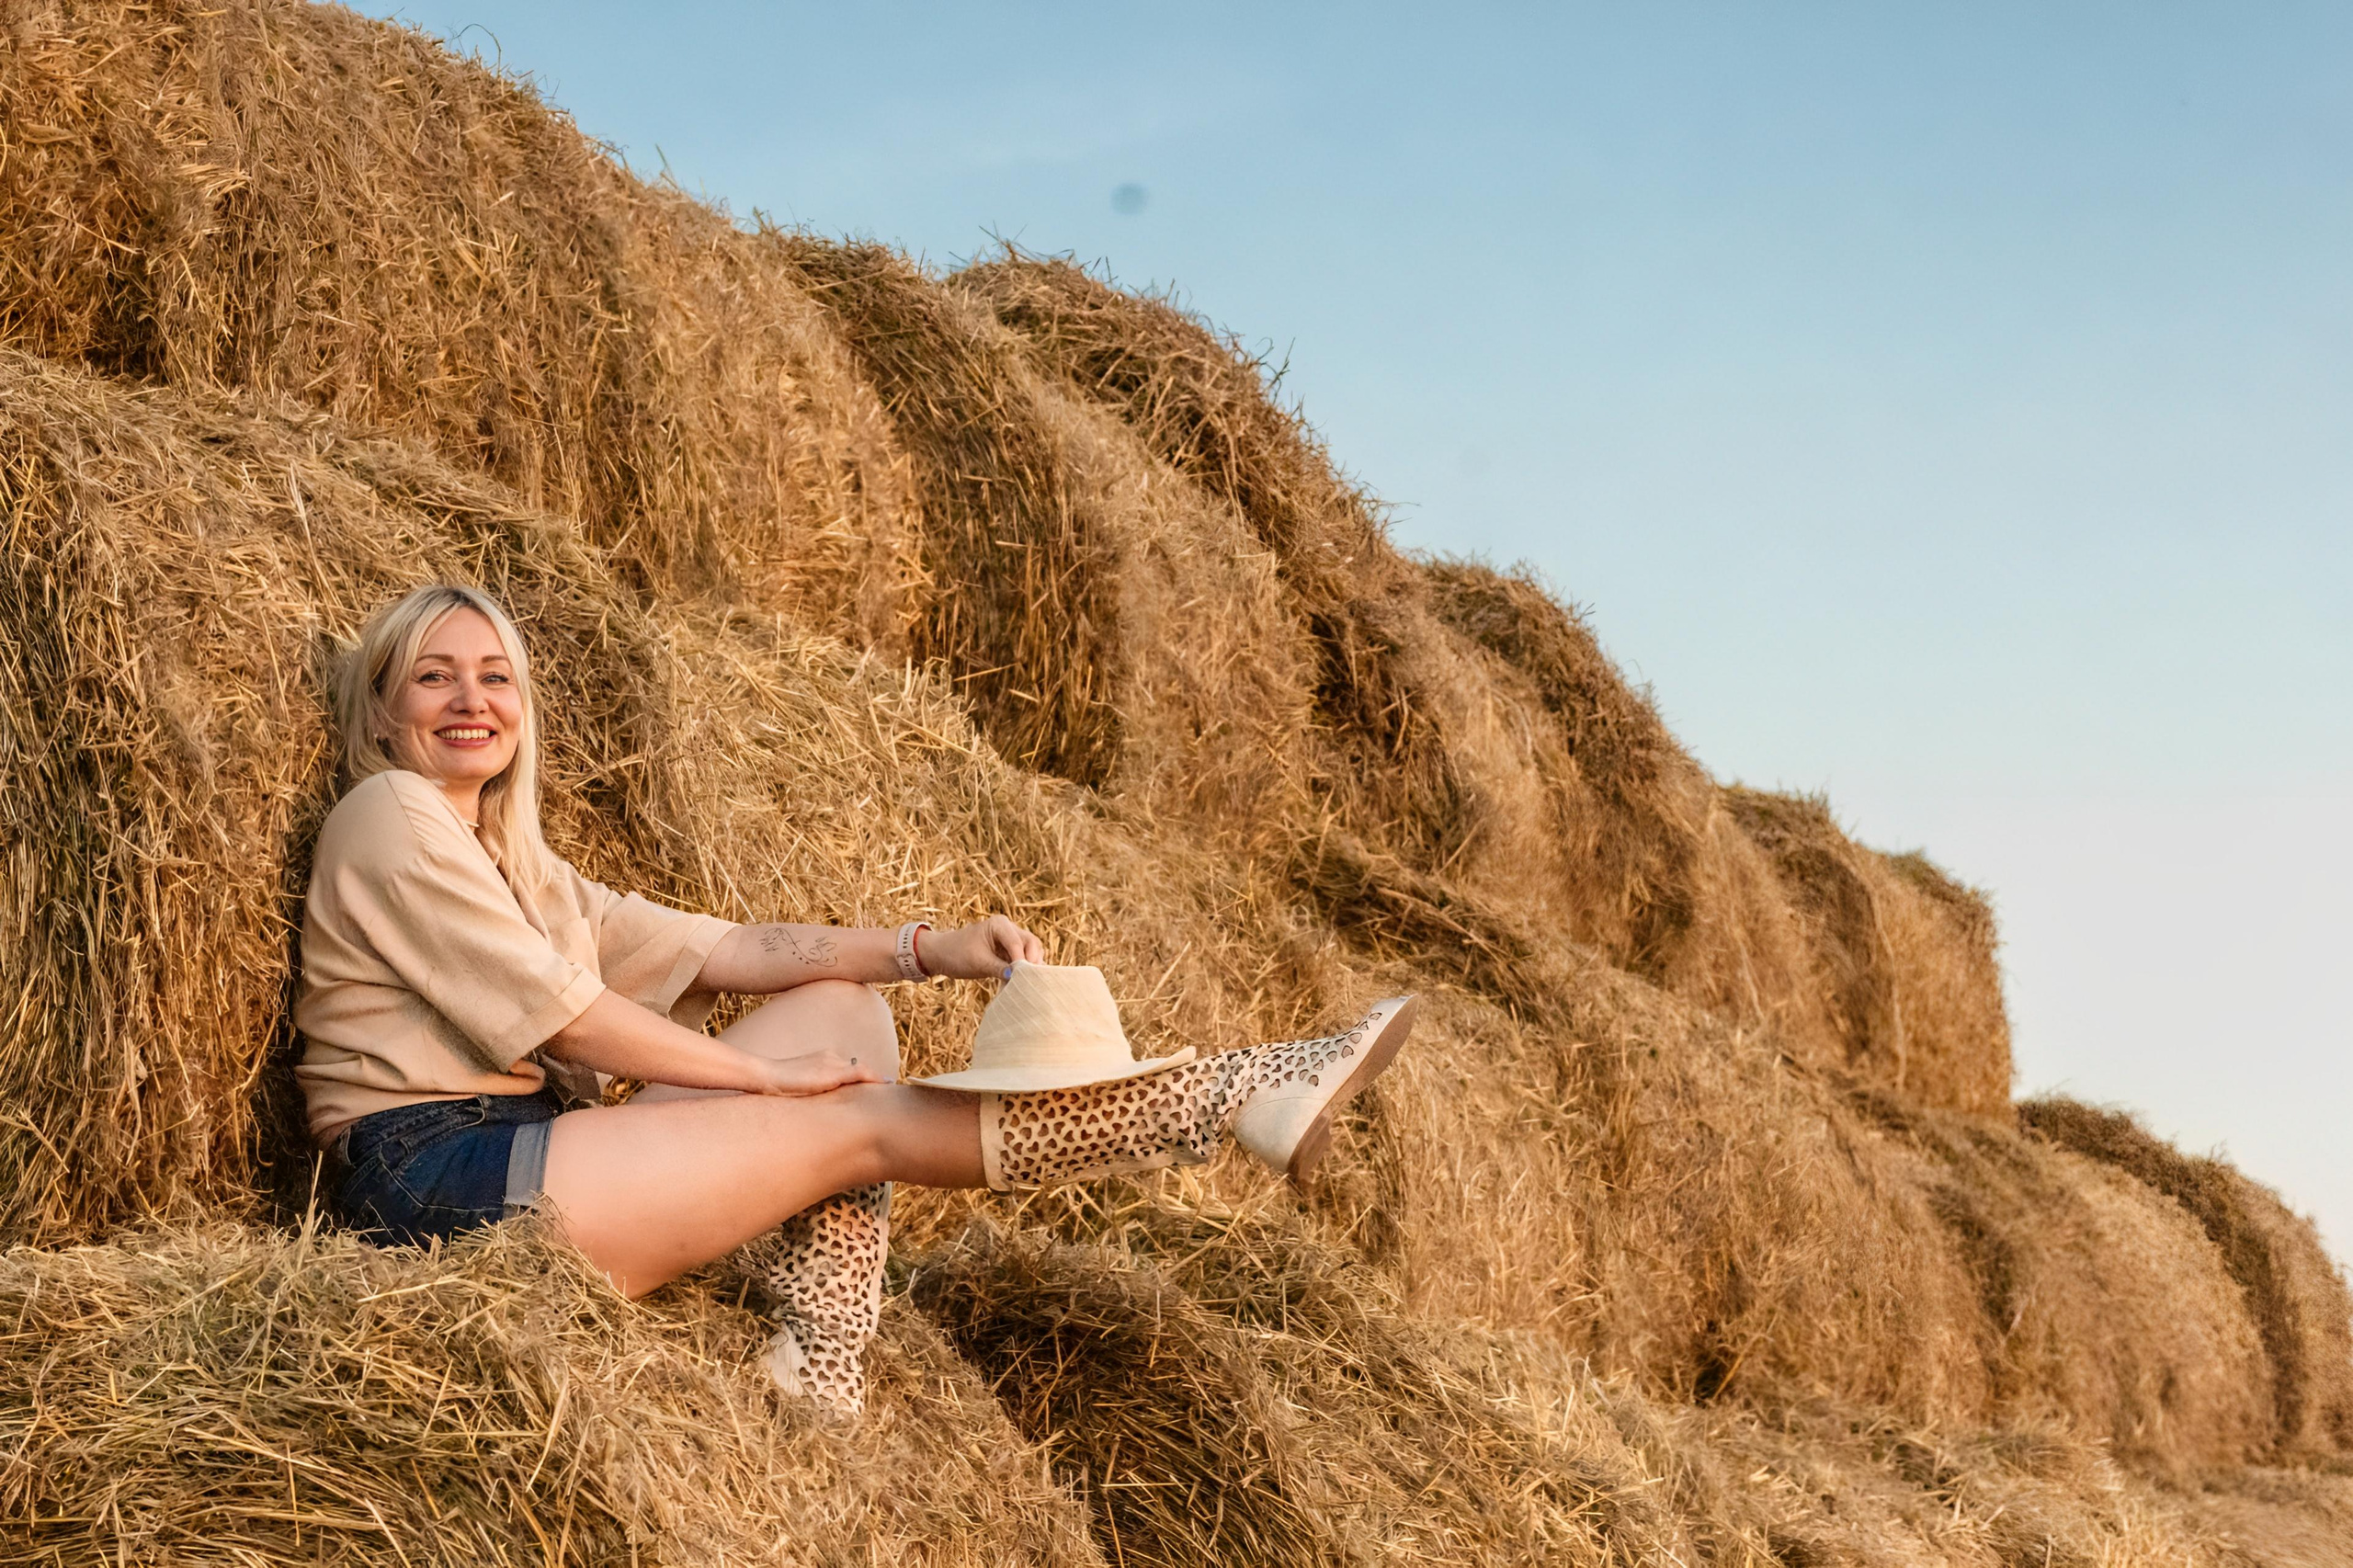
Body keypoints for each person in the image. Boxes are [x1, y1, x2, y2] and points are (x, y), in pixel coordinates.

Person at [296, 584, 1418, 1414]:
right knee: (859, 1120)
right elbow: (571, 1021)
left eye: (495, 675)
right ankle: (1226, 1094)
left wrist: (929, 946)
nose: (471, 698)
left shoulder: (525, 869)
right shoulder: (391, 812)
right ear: (386, 708)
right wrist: (761, 1079)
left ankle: (820, 1351)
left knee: (845, 1012)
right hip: (430, 1183)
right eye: (435, 674)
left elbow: (732, 946)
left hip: (536, 1153)